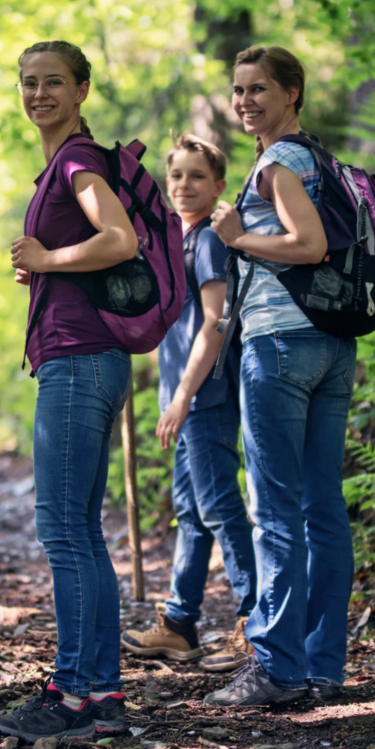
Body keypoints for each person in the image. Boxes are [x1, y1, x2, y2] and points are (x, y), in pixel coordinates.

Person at [0, 41, 138, 742]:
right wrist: (49, 270)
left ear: (81, 89)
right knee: (81, 532)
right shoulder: (62, 164)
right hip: (85, 360)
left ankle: (72, 693)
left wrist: (50, 257)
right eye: (28, 83)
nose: (38, 93)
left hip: (79, 363)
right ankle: (99, 693)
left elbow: (121, 238)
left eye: (53, 83)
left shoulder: (77, 161)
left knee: (65, 530)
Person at [204, 46, 357, 707]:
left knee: (276, 510)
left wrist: (237, 238)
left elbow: (310, 245)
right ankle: (323, 664)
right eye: (238, 91)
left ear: (292, 92)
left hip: (280, 344)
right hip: (330, 343)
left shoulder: (277, 164)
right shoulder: (320, 159)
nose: (245, 102)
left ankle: (277, 667)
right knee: (322, 508)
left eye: (259, 89)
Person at [120, 134, 256, 673]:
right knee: (191, 515)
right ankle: (179, 625)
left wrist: (182, 397)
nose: (184, 186)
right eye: (175, 175)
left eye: (197, 176)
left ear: (219, 185)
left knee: (222, 511)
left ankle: (255, 623)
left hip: (207, 398)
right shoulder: (177, 241)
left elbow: (216, 322)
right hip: (183, 399)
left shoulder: (209, 244)